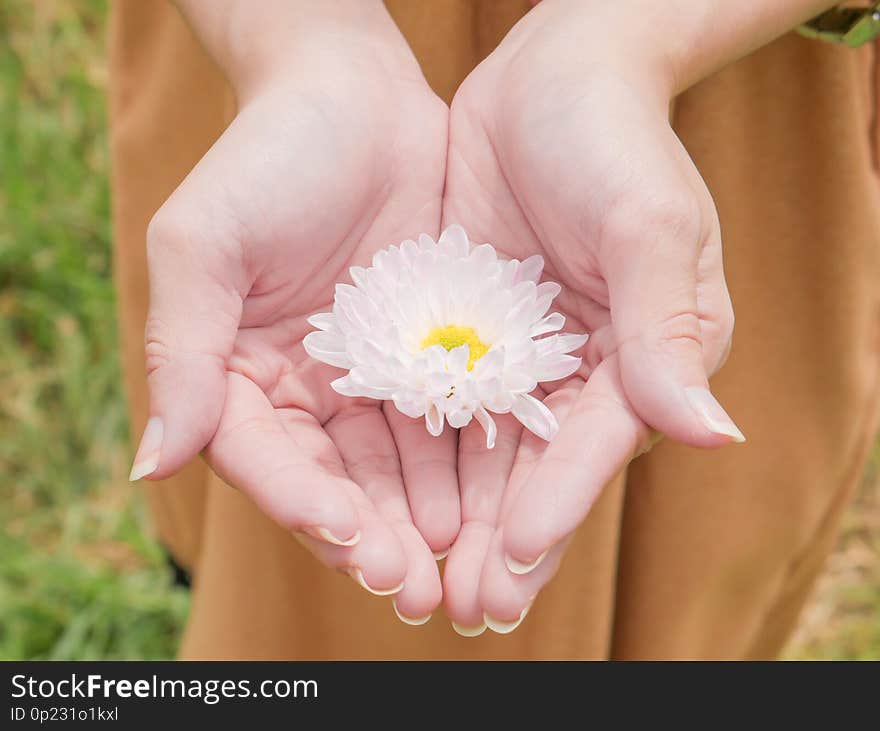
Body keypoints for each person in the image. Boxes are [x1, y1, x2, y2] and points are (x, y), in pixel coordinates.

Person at [111, 0, 880, 659]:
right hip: (271, 48)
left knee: (701, 563)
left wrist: (627, 35)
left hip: (732, 60)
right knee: (298, 604)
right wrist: (300, 41)